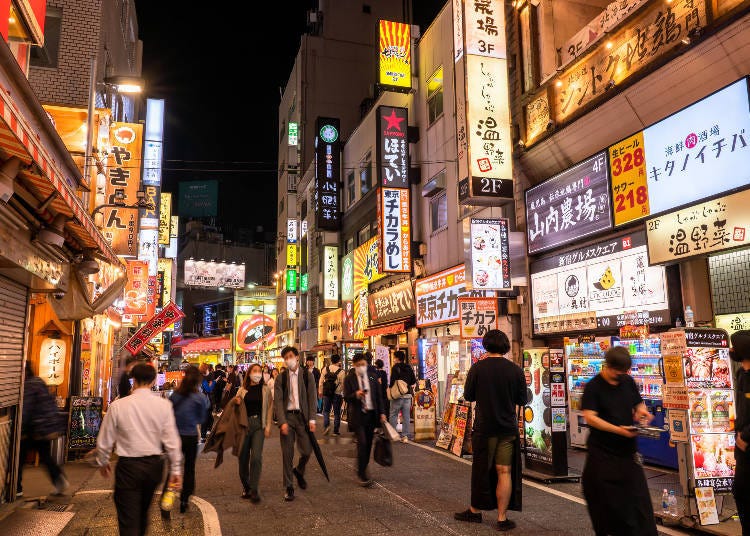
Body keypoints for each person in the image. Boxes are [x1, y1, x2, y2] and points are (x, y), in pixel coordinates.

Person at [96, 362, 182, 536]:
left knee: (128, 515)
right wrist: (176, 470)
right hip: (154, 467)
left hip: (128, 467)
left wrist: (103, 460)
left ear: (133, 380)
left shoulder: (118, 406)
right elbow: (172, 441)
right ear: (152, 381)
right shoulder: (163, 405)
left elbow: (105, 438)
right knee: (143, 511)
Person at [580, 346, 657, 536]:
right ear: (608, 366)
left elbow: (638, 403)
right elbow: (590, 417)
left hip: (627, 455)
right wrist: (618, 430)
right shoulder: (593, 387)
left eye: (624, 372)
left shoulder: (627, 381)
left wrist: (642, 412)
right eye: (617, 371)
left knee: (638, 504)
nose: (620, 375)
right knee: (607, 505)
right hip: (602, 455)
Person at [454, 330, 527, 532]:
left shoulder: (477, 368)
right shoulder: (515, 370)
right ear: (505, 346)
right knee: (504, 471)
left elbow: (468, 396)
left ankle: (475, 511)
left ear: (486, 345)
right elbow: (523, 400)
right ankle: (502, 518)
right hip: (507, 429)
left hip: (484, 429)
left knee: (481, 471)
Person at [17, 364, 67, 497]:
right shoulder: (39, 381)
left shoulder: (28, 385)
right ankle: (58, 478)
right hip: (46, 426)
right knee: (45, 456)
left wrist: (20, 427)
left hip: (35, 427)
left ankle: (17, 488)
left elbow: (26, 408)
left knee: (20, 457)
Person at [274, 346, 317, 501]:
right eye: (285, 358)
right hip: (287, 418)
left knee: (306, 451)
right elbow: (278, 402)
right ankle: (289, 486)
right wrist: (282, 421)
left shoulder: (307, 375)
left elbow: (312, 397)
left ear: (297, 357)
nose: (288, 360)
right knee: (287, 453)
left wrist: (312, 419)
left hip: (303, 419)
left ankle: (299, 470)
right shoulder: (281, 377)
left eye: (290, 356)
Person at [169, 365, 209, 513]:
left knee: (174, 466)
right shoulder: (200, 397)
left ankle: (168, 496)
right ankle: (185, 499)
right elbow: (202, 418)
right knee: (189, 468)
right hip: (191, 436)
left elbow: (169, 413)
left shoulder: (175, 395)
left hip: (175, 436)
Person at [343, 353, 386, 487]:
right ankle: (362, 474)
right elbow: (346, 397)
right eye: (358, 365)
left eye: (363, 364)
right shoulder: (349, 378)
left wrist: (382, 413)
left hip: (371, 415)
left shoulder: (372, 377)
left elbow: (379, 397)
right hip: (357, 416)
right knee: (362, 443)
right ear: (354, 365)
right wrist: (355, 394)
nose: (362, 367)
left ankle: (362, 467)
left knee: (367, 445)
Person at [233, 363, 274, 503]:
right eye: (254, 371)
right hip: (243, 426)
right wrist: (236, 402)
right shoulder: (242, 390)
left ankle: (254, 489)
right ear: (249, 373)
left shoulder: (265, 389)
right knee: (243, 458)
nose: (257, 373)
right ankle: (246, 486)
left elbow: (269, 408)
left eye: (259, 371)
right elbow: (234, 409)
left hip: (258, 426)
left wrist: (268, 426)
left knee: (256, 457)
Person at [732, 330, 750, 535]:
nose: (731, 350)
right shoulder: (741, 374)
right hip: (742, 451)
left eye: (734, 346)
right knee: (741, 492)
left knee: (743, 492)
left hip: (747, 445)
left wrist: (745, 436)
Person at [389, 350, 416, 443]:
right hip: (407, 395)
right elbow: (413, 381)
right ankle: (405, 437)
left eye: (394, 357)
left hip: (397, 395)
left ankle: (394, 435)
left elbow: (392, 381)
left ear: (397, 358)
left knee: (393, 415)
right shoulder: (408, 367)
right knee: (406, 416)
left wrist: (390, 388)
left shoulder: (395, 367)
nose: (394, 359)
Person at [319, 354, 345, 436]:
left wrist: (320, 391)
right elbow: (343, 384)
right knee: (337, 412)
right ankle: (336, 431)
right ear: (339, 361)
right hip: (337, 394)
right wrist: (342, 392)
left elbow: (321, 382)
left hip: (327, 393)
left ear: (331, 360)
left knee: (326, 411)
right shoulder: (341, 371)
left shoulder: (325, 369)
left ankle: (326, 426)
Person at [199, 363, 215, 441]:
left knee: (209, 417)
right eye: (208, 369)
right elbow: (208, 389)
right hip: (205, 401)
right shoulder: (203, 379)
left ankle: (205, 433)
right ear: (205, 369)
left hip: (202, 400)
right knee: (206, 418)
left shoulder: (200, 378)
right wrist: (214, 382)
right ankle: (203, 435)